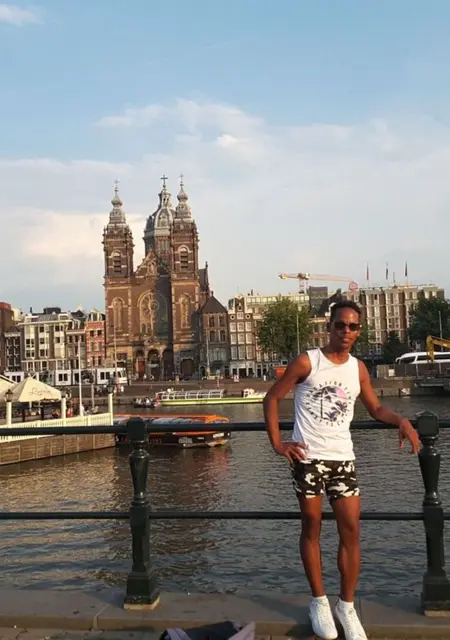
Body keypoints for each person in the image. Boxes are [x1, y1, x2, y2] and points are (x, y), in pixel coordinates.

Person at [263, 300, 420, 640]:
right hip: (307, 458)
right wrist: (277, 443)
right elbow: (271, 398)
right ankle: (319, 602)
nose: (346, 331)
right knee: (312, 527)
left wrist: (401, 420)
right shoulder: (308, 361)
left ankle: (346, 606)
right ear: (329, 327)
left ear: (358, 331)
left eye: (353, 326)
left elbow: (375, 407)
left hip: (342, 459)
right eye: (340, 325)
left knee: (351, 530)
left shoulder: (358, 369)